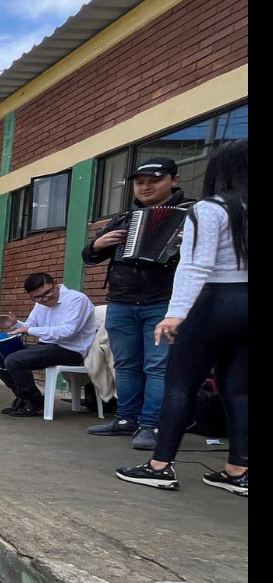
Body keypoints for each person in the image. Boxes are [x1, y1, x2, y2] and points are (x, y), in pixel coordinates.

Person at [116, 140, 248, 495]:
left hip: (214, 300)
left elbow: (195, 264)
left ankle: (159, 466)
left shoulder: (210, 208)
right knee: (238, 389)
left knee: (180, 383)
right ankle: (239, 470)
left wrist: (175, 314)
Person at [84, 156, 192, 451]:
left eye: (154, 181)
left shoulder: (190, 214)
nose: (145, 188)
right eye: (140, 183)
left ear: (174, 179)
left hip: (163, 303)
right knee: (125, 364)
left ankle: (151, 424)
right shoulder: (123, 219)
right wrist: (98, 245)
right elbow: (88, 255)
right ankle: (126, 418)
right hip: (121, 301)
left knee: (157, 366)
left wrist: (188, 244)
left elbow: (202, 261)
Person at [0, 273, 97, 417]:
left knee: (14, 360)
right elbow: (30, 326)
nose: (45, 299)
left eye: (48, 292)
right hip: (47, 346)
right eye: (37, 297)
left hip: (71, 350)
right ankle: (25, 398)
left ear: (56, 283)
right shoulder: (40, 303)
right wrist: (15, 324)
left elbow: (68, 331)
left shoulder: (76, 299)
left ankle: (34, 402)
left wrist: (28, 329)